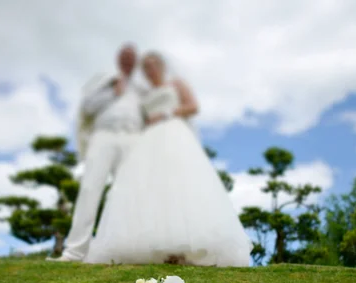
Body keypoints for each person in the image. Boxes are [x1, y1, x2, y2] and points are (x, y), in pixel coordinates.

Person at [84, 52, 252, 267]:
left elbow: (192, 106)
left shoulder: (176, 83)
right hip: (149, 139)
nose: (150, 69)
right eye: (146, 67)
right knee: (152, 187)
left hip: (174, 132)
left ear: (162, 66)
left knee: (180, 182)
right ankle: (157, 247)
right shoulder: (144, 95)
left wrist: (167, 114)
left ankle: (184, 247)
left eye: (153, 65)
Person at [50, 44, 144, 262]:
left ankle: (127, 249)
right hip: (104, 136)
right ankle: (74, 251)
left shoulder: (141, 89)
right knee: (90, 188)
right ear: (119, 59)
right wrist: (113, 92)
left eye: (132, 57)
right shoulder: (105, 82)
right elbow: (88, 108)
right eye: (125, 57)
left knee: (129, 193)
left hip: (132, 139)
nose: (128, 60)